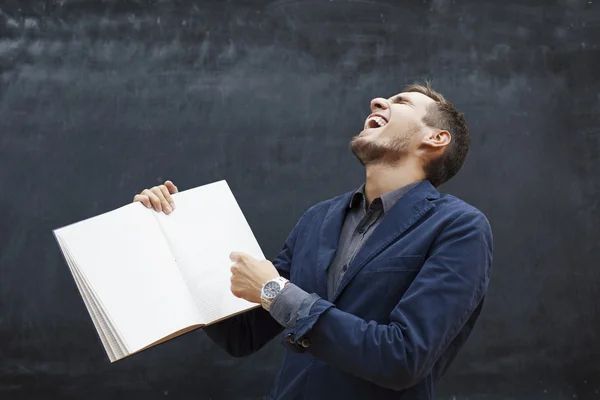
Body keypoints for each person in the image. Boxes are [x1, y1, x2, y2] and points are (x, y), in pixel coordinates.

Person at [133, 83, 493, 399]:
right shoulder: (318, 219)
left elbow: (403, 358)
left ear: (436, 138)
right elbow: (242, 335)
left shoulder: (459, 227)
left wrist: (275, 291)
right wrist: (170, 233)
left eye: (400, 102)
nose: (377, 101)